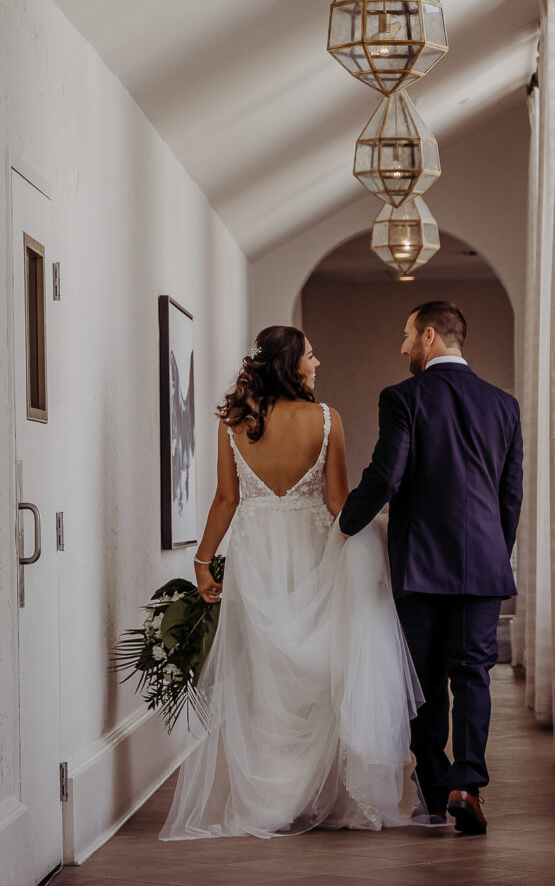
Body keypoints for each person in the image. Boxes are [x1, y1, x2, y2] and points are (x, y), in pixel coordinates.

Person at [159, 325, 426, 840]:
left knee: (266, 677)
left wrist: (202, 560)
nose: (317, 361)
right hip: (314, 554)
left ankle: (273, 798)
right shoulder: (326, 420)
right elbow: (337, 504)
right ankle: (319, 794)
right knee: (321, 674)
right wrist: (383, 531)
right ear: (291, 365)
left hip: (256, 557)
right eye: (310, 354)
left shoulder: (235, 424)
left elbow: (225, 500)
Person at [339, 301, 523, 835]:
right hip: (483, 567)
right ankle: (468, 784)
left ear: (428, 336)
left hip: (420, 564)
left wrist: (345, 523)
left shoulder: (402, 398)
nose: (402, 348)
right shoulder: (504, 405)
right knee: (472, 674)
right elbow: (510, 498)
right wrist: (491, 551)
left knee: (419, 680)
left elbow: (386, 474)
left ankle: (435, 785)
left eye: (405, 336)